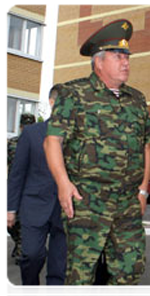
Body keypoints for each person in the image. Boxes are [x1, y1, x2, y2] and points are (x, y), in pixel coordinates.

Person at [44, 19, 150, 295]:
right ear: (99, 62)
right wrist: (63, 183)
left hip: (127, 202)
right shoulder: (74, 94)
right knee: (81, 277)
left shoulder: (137, 99)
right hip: (87, 200)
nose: (126, 62)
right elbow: (52, 141)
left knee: (131, 269)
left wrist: (143, 190)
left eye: (127, 57)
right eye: (118, 57)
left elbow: (146, 146)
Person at [5, 85, 66, 296]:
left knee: (60, 265)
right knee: (31, 255)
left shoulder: (77, 135)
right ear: (52, 102)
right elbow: (17, 173)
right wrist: (10, 208)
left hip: (65, 209)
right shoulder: (32, 133)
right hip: (34, 206)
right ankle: (29, 292)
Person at [5, 112, 36, 265]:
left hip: (29, 188)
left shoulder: (39, 142)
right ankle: (19, 243)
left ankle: (22, 250)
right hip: (14, 186)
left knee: (24, 219)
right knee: (10, 221)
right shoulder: (12, 143)